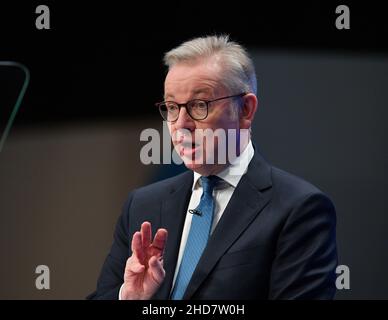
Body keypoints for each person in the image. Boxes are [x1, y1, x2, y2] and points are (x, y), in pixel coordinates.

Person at [88, 35, 337, 300]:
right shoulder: (143, 204)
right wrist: (129, 297)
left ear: (245, 110)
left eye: (199, 105)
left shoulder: (299, 209)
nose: (181, 124)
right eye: (172, 107)